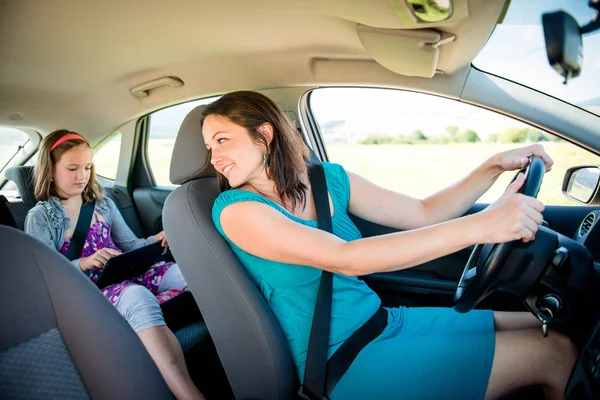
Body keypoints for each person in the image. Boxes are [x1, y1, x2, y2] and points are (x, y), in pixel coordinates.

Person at [203, 91, 577, 400]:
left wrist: (492, 168)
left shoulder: (327, 179)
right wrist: (481, 226)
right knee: (555, 353)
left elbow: (423, 211)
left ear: (265, 135)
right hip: (341, 361)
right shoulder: (236, 210)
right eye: (209, 147)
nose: (215, 158)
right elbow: (344, 258)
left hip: (384, 323)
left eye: (223, 141)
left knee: (557, 324)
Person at [25, 129, 204, 400]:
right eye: (72, 168)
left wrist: (156, 241)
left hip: (124, 274)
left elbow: (130, 246)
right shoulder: (40, 217)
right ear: (50, 170)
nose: (82, 176)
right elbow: (43, 278)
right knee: (137, 295)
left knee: (191, 275)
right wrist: (83, 263)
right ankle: (188, 393)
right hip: (89, 290)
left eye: (87, 167)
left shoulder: (102, 203)